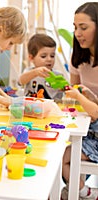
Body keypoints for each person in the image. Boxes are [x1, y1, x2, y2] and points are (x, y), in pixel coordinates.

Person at [61, 2, 98, 200]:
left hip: (95, 127)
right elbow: (73, 92)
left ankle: (83, 192)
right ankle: (78, 190)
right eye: (75, 27)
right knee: (61, 153)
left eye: (83, 27)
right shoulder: (79, 57)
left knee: (65, 158)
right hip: (89, 126)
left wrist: (79, 97)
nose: (77, 33)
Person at [19, 33, 64, 100]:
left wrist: (65, 88)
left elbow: (64, 91)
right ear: (31, 58)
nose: (49, 59)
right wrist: (35, 73)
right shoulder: (29, 72)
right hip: (31, 107)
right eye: (43, 56)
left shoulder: (58, 75)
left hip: (52, 108)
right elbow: (21, 81)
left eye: (52, 56)